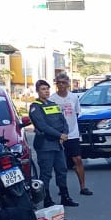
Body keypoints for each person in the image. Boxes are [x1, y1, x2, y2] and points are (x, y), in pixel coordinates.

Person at [29, 79, 78, 207]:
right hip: (45, 145)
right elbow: (42, 126)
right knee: (46, 173)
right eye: (43, 89)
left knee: (62, 170)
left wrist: (65, 134)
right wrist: (59, 135)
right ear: (38, 91)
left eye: (47, 89)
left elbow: (63, 121)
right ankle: (46, 199)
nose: (46, 91)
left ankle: (65, 196)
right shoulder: (35, 107)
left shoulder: (53, 104)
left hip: (58, 144)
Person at [49, 72, 91, 196]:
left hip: (72, 134)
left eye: (63, 82)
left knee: (77, 159)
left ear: (68, 83)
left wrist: (71, 129)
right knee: (60, 164)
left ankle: (83, 187)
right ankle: (62, 189)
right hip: (59, 135)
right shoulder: (52, 99)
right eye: (59, 83)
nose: (61, 85)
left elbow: (76, 113)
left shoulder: (74, 97)